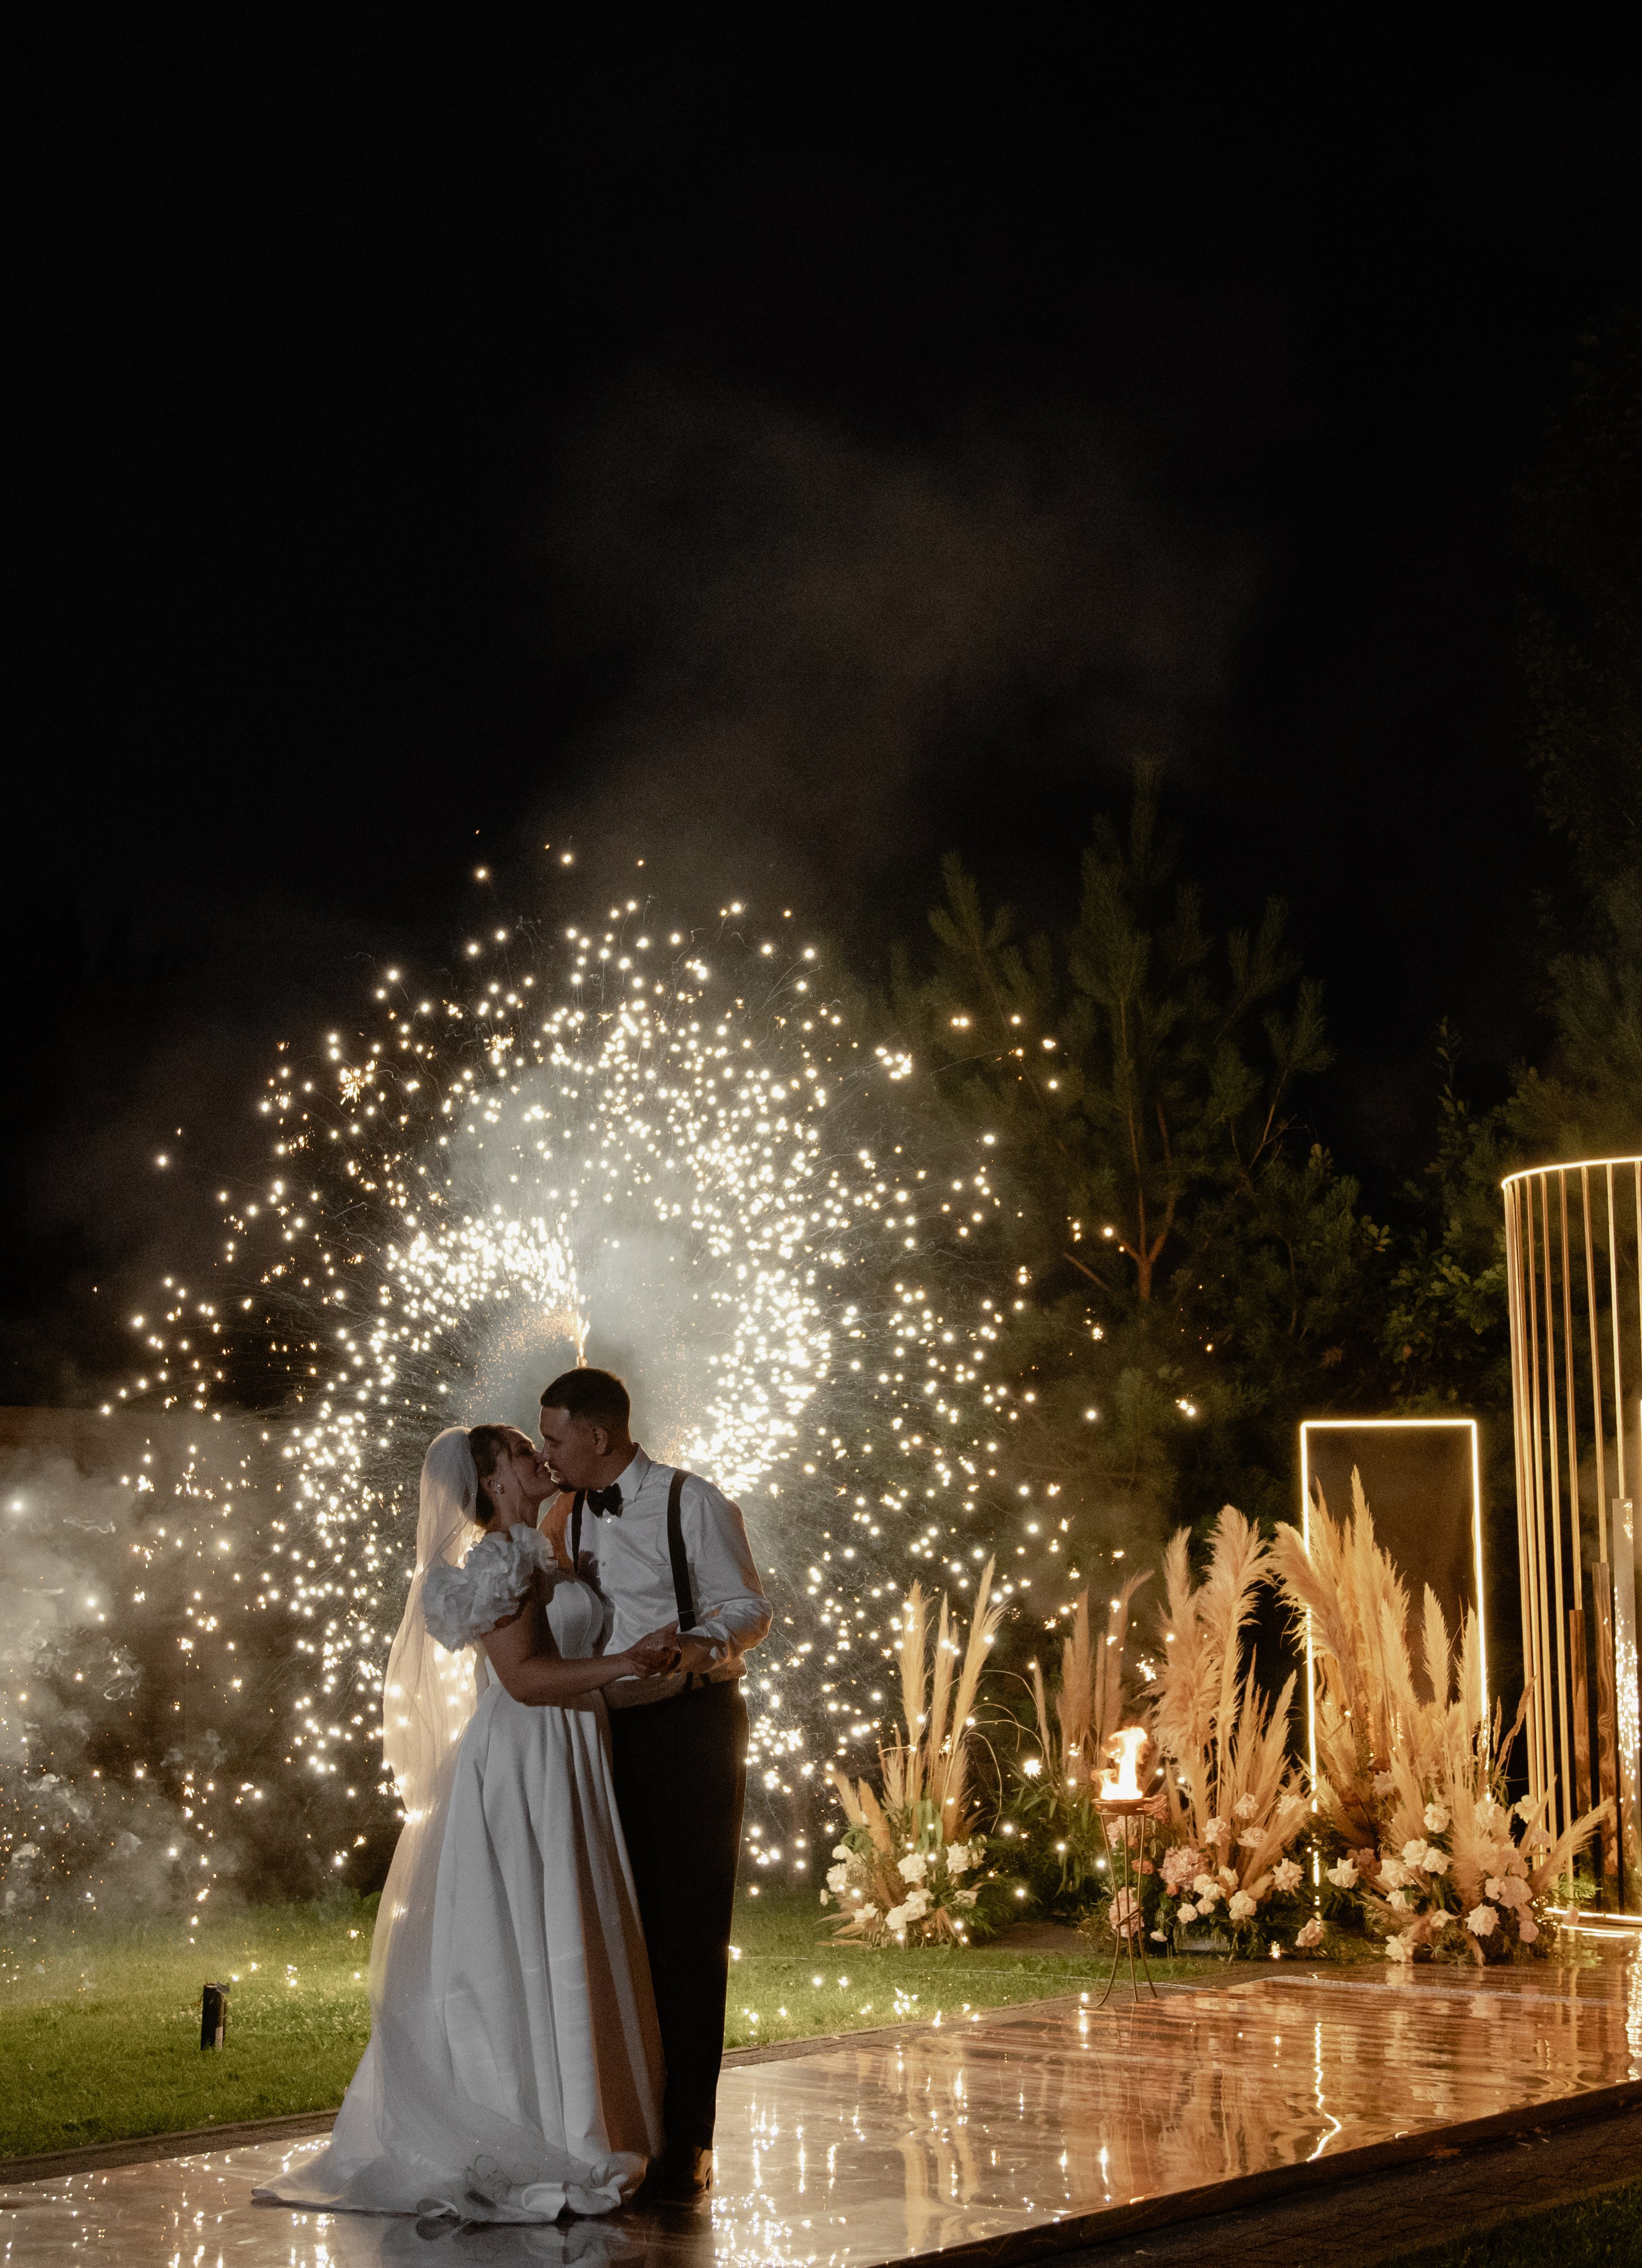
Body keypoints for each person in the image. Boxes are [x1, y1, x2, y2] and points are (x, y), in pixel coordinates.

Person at [257, 1422, 675, 2226]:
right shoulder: (497, 1562)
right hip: (528, 1751)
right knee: (529, 1922)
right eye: (521, 1451)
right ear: (492, 1481)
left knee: (568, 1918)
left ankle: (578, 2110)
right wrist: (627, 1662)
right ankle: (533, 2123)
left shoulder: (540, 1548)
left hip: (568, 1747)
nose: (538, 1456)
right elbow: (524, 1678)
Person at [537, 1367, 772, 2204]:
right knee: (614, 1931)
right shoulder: (561, 1513)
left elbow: (750, 1606)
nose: (545, 1452)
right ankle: (626, 2127)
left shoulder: (690, 1499)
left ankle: (690, 2141)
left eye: (555, 1437)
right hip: (601, 1730)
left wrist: (697, 1642)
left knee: (688, 1933)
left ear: (597, 1437)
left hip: (690, 1726)